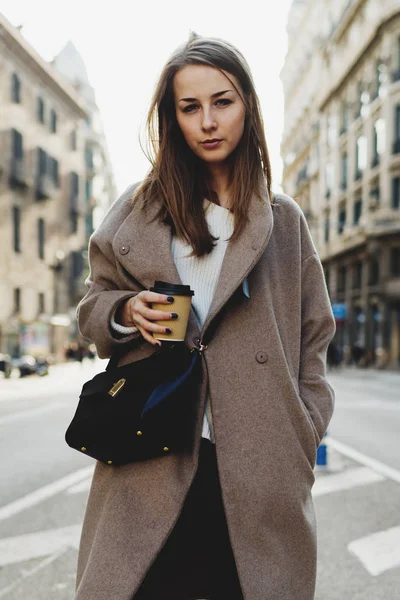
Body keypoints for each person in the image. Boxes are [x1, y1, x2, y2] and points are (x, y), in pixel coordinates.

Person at [74, 33, 336, 600]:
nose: (208, 121)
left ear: (248, 107)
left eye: (223, 101)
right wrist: (124, 310)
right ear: (172, 119)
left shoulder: (283, 222)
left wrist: (302, 429)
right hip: (152, 453)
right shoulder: (139, 211)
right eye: (189, 108)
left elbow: (313, 339)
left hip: (257, 465)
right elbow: (92, 307)